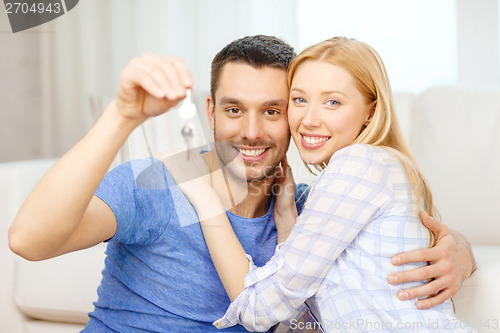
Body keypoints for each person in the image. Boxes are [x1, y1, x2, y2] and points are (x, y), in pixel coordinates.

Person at [7, 35, 474, 332]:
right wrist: (123, 115)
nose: (251, 131)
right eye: (234, 109)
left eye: (272, 110)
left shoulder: (311, 210)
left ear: (292, 118)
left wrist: (460, 253)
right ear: (211, 112)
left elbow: (399, 238)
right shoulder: (154, 184)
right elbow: (29, 240)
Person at [179, 37, 475, 332]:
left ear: (370, 112)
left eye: (332, 102)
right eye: (300, 100)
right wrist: (286, 222)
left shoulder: (357, 165)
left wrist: (206, 198)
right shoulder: (377, 168)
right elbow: (298, 320)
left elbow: (259, 310)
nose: (309, 119)